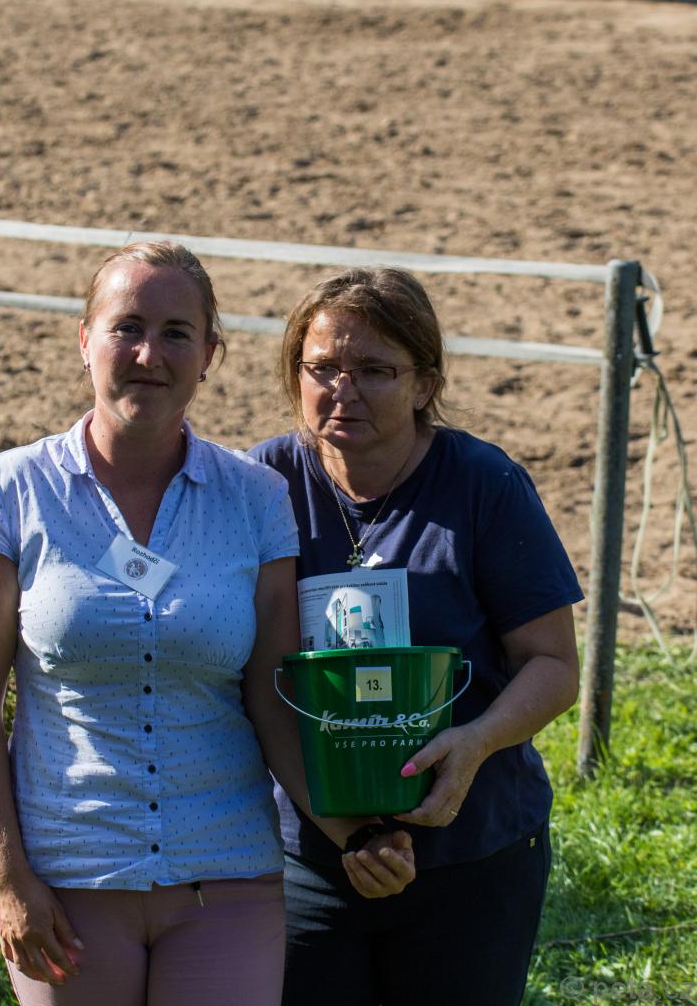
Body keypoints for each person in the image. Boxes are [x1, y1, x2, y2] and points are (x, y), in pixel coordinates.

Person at [0, 242, 414, 1006]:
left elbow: (273, 700)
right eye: (126, 327)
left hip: (227, 879)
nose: (148, 354)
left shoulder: (255, 499)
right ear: (85, 340)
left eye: (175, 333)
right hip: (66, 883)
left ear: (209, 356)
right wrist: (8, 876)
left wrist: (353, 833)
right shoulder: (11, 492)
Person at [250, 267, 582, 1006]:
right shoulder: (263, 483)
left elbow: (554, 664)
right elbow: (251, 677)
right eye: (323, 368)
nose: (344, 390)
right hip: (308, 859)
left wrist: (476, 742)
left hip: (471, 851)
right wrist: (348, 833)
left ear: (425, 383)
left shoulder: (484, 484)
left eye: (375, 370)